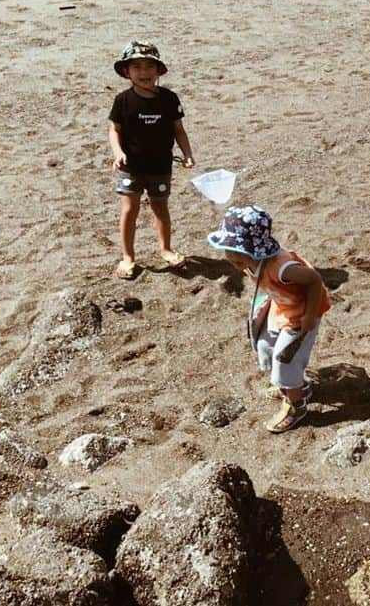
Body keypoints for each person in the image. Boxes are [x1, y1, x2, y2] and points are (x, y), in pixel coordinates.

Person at [208, 205, 331, 433]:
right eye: (228, 250)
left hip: (301, 315)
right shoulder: (249, 262)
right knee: (264, 346)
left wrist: (311, 315)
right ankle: (295, 385)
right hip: (281, 308)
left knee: (285, 360)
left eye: (236, 252)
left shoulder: (281, 267)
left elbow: (314, 280)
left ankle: (296, 405)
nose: (230, 257)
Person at [108, 41, 194, 279]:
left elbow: (179, 129)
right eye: (136, 67)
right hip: (131, 167)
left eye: (149, 67)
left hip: (160, 166)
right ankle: (128, 256)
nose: (144, 72)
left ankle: (165, 248)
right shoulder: (123, 100)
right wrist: (118, 153)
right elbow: (114, 130)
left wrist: (187, 154)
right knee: (129, 209)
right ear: (127, 72)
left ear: (158, 71)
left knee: (160, 207)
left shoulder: (168, 98)